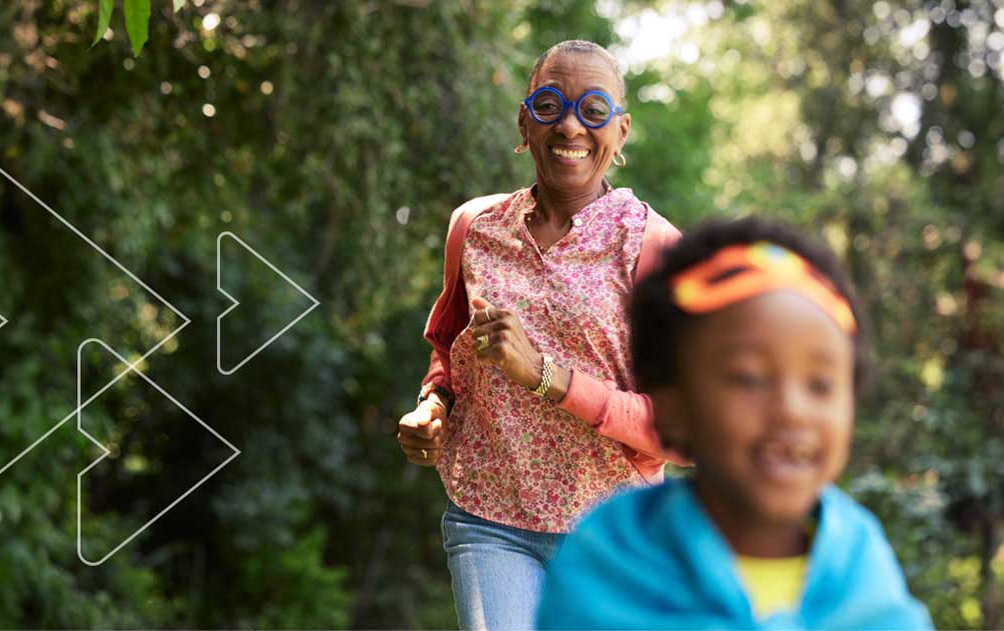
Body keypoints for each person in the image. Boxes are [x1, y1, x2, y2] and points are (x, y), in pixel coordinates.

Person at [394, 40, 684, 630]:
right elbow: (449, 349)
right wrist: (434, 404)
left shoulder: (654, 248)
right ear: (525, 121)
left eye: (594, 110)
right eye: (550, 104)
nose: (570, 125)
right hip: (488, 518)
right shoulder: (473, 228)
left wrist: (548, 377)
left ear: (622, 131)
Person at [535, 217, 933, 629]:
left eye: (820, 385)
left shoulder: (862, 565)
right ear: (671, 406)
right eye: (749, 378)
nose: (792, 410)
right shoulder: (611, 558)